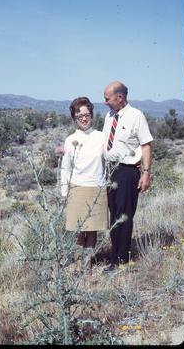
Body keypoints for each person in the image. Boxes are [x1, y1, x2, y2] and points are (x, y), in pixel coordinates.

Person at [102, 81, 153, 272]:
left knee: (124, 216)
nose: (105, 102)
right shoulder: (109, 116)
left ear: (120, 97)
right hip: (111, 171)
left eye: (108, 99)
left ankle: (120, 261)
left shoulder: (136, 116)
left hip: (127, 172)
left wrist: (146, 174)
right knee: (114, 215)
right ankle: (114, 254)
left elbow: (146, 145)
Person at [61, 97, 108, 275]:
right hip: (77, 188)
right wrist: (64, 193)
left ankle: (87, 266)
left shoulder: (101, 137)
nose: (84, 119)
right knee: (78, 231)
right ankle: (77, 266)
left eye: (87, 114)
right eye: (79, 115)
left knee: (92, 229)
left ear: (92, 115)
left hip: (97, 188)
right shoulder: (70, 140)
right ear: (74, 118)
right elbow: (65, 169)